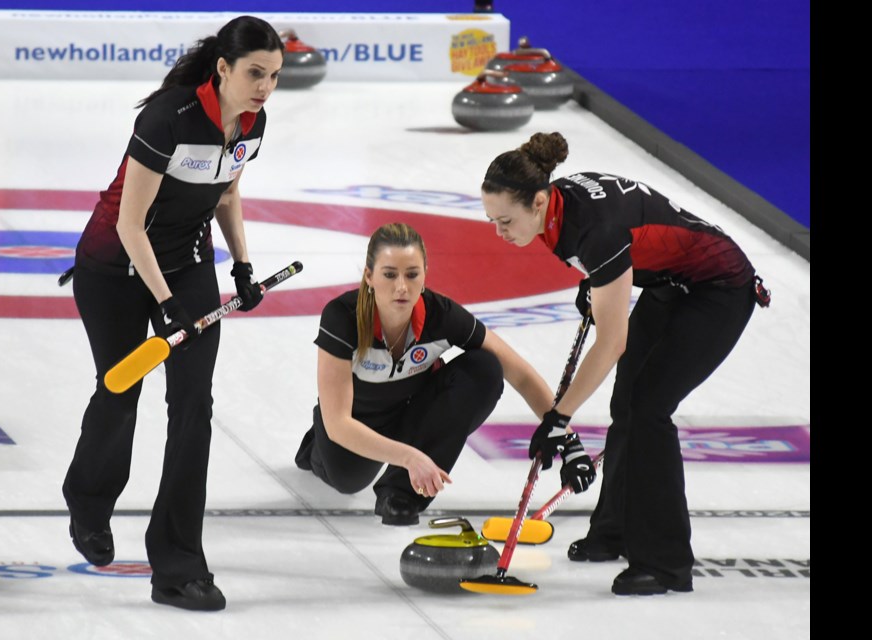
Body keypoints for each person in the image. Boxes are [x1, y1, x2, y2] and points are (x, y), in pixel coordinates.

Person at [480, 131, 770, 596]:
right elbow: (631, 244)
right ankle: (614, 529)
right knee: (626, 401)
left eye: (505, 220)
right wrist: (599, 281)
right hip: (670, 284)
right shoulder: (559, 202)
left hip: (719, 288)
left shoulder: (593, 230)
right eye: (491, 220)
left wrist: (559, 418)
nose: (499, 231)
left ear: (538, 201)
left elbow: (611, 341)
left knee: (650, 407)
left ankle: (665, 563)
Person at [61, 16, 284, 611]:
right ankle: (88, 497)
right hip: (114, 267)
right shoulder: (168, 118)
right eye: (255, 74)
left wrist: (241, 267)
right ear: (223, 69)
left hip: (185, 266)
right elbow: (131, 225)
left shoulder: (252, 122)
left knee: (193, 407)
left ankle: (178, 565)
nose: (265, 87)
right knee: (121, 388)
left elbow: (227, 193)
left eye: (274, 76)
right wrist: (164, 305)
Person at [294, 222, 596, 526]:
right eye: (389, 274)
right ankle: (313, 447)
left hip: (409, 415)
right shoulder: (342, 317)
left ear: (425, 274)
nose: (402, 286)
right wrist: (410, 457)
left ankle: (400, 495)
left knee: (485, 368)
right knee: (347, 480)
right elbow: (339, 425)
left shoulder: (442, 315)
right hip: (354, 425)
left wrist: (568, 442)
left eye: (412, 274)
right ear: (369, 277)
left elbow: (519, 373)